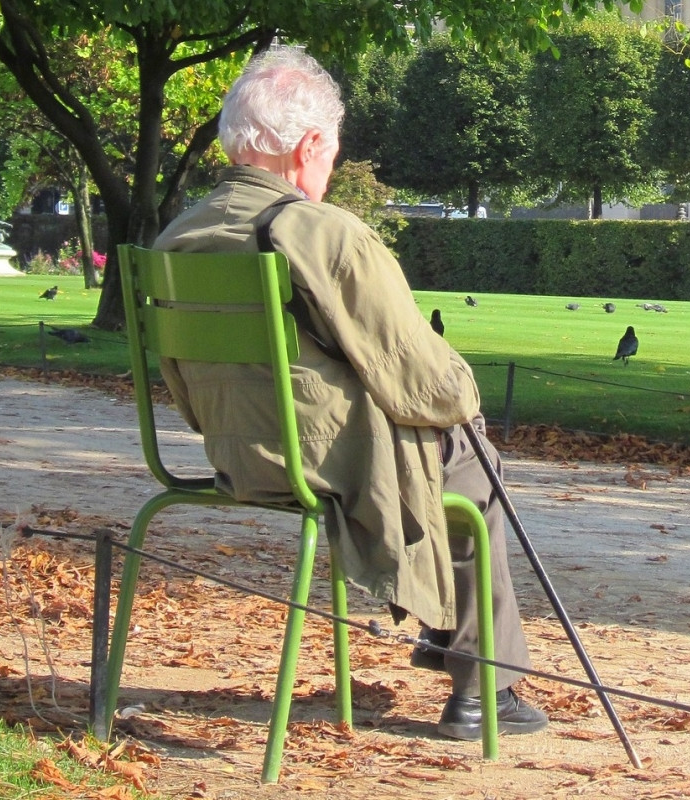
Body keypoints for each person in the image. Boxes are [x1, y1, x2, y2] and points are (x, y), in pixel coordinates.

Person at [154, 48, 546, 741]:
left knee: (450, 455)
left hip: (233, 455)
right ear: (309, 146)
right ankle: (484, 689)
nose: (328, 173)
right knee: (472, 462)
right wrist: (466, 400)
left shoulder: (176, 237)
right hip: (326, 465)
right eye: (330, 156)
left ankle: (450, 642)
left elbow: (183, 384)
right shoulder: (320, 232)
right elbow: (423, 380)